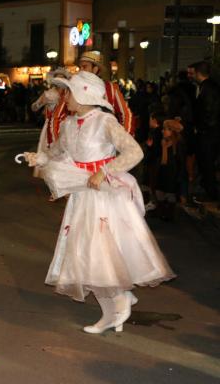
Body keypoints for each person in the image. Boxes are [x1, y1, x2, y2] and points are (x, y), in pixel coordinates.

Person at [25, 71, 175, 334]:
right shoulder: (69, 124)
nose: (65, 97)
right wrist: (38, 158)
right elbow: (57, 153)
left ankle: (115, 304)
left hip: (106, 197)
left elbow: (134, 151)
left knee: (100, 252)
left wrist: (105, 171)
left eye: (68, 91)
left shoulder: (105, 121)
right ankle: (116, 305)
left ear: (84, 94)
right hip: (82, 196)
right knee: (86, 252)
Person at [50, 50, 134, 139]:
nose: (81, 70)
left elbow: (126, 115)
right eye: (80, 67)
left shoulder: (110, 88)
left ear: (95, 69)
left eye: (84, 67)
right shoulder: (74, 86)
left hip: (104, 146)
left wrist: (123, 140)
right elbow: (57, 117)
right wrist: (62, 144)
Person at [31, 68, 71, 177]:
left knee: (65, 156)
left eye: (62, 79)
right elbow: (34, 107)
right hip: (51, 127)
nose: (60, 82)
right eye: (57, 79)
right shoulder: (50, 93)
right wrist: (42, 103)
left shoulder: (70, 93)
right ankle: (53, 184)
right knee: (50, 153)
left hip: (67, 127)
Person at [192, 61, 220, 203]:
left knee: (207, 164)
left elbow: (209, 112)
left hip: (208, 134)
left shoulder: (207, 89)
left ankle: (211, 194)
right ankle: (209, 192)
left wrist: (201, 128)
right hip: (210, 132)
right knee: (207, 164)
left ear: (198, 73)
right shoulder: (210, 87)